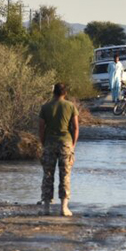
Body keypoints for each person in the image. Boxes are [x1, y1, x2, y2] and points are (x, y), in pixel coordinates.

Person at [38, 82, 79, 217]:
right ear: (65, 93)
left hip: (49, 142)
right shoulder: (70, 106)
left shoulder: (45, 107)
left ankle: (46, 208)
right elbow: (75, 128)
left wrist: (43, 143)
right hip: (65, 143)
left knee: (48, 175)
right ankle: (64, 208)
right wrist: (73, 144)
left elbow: (41, 128)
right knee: (65, 175)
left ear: (53, 92)